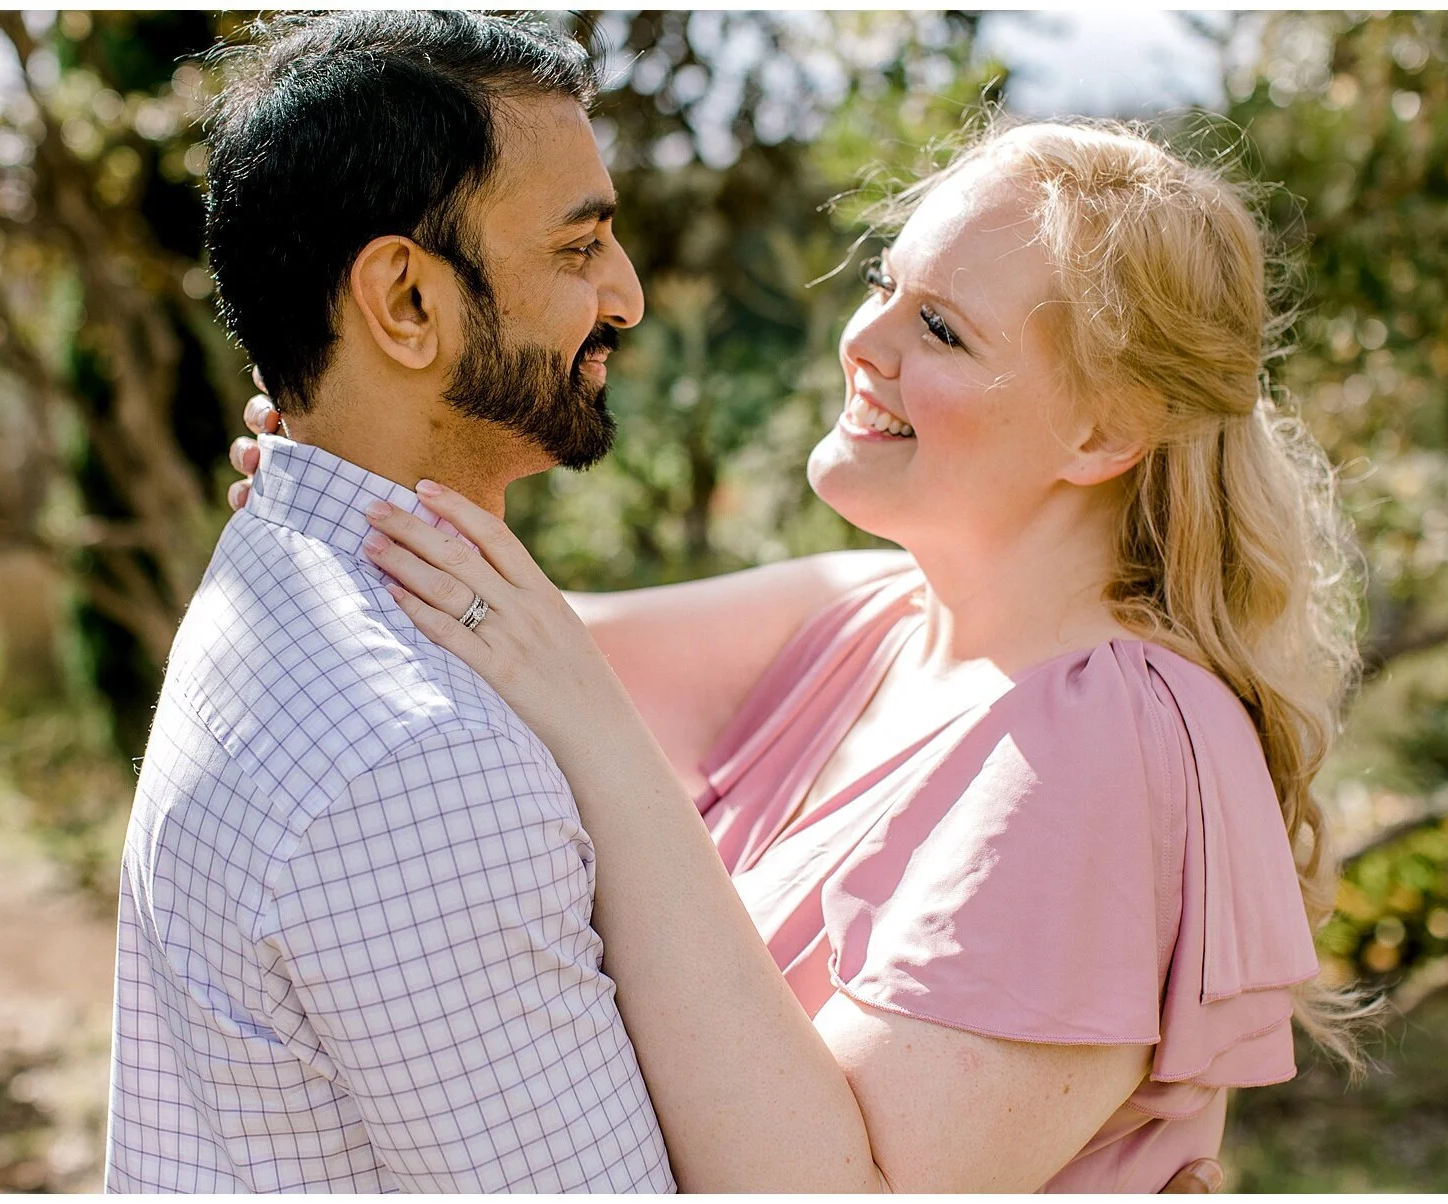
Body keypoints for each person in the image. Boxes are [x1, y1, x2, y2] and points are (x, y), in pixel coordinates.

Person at [233, 118, 1366, 1191]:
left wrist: (596, 730)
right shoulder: (871, 621)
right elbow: (483, 618)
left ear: (1104, 432)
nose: (863, 342)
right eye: (884, 283)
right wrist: (359, 437)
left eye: (942, 330)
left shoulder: (1108, 743)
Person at [105, 12, 675, 1191]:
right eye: (579, 248)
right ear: (406, 303)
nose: (624, 295)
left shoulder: (282, 570)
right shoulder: (418, 759)